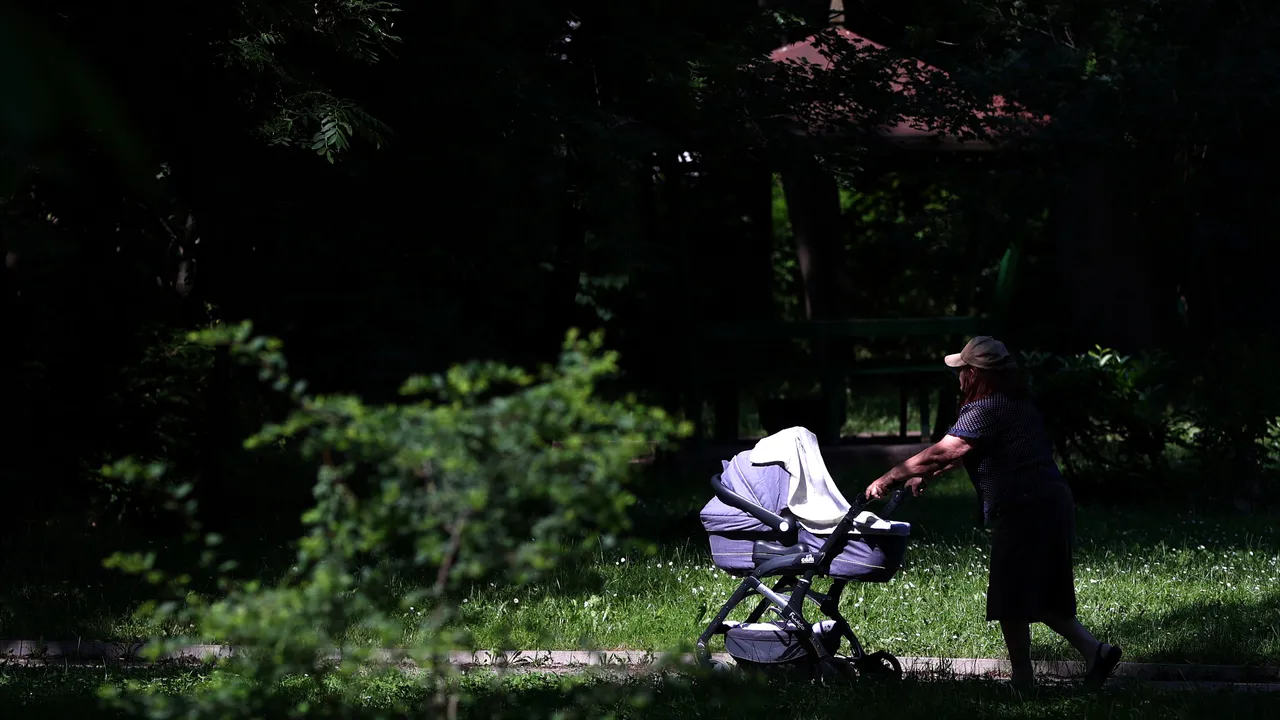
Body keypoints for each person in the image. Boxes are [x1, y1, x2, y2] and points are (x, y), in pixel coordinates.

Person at [863, 336, 1123, 690]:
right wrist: (925, 474)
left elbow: (946, 451)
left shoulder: (988, 407)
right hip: (1046, 502)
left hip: (1030, 507)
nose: (958, 378)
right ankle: (1085, 657)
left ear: (975, 373)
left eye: (962, 370)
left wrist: (890, 476)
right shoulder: (1013, 402)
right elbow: (965, 453)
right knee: (1028, 591)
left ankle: (1042, 671)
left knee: (1011, 591)